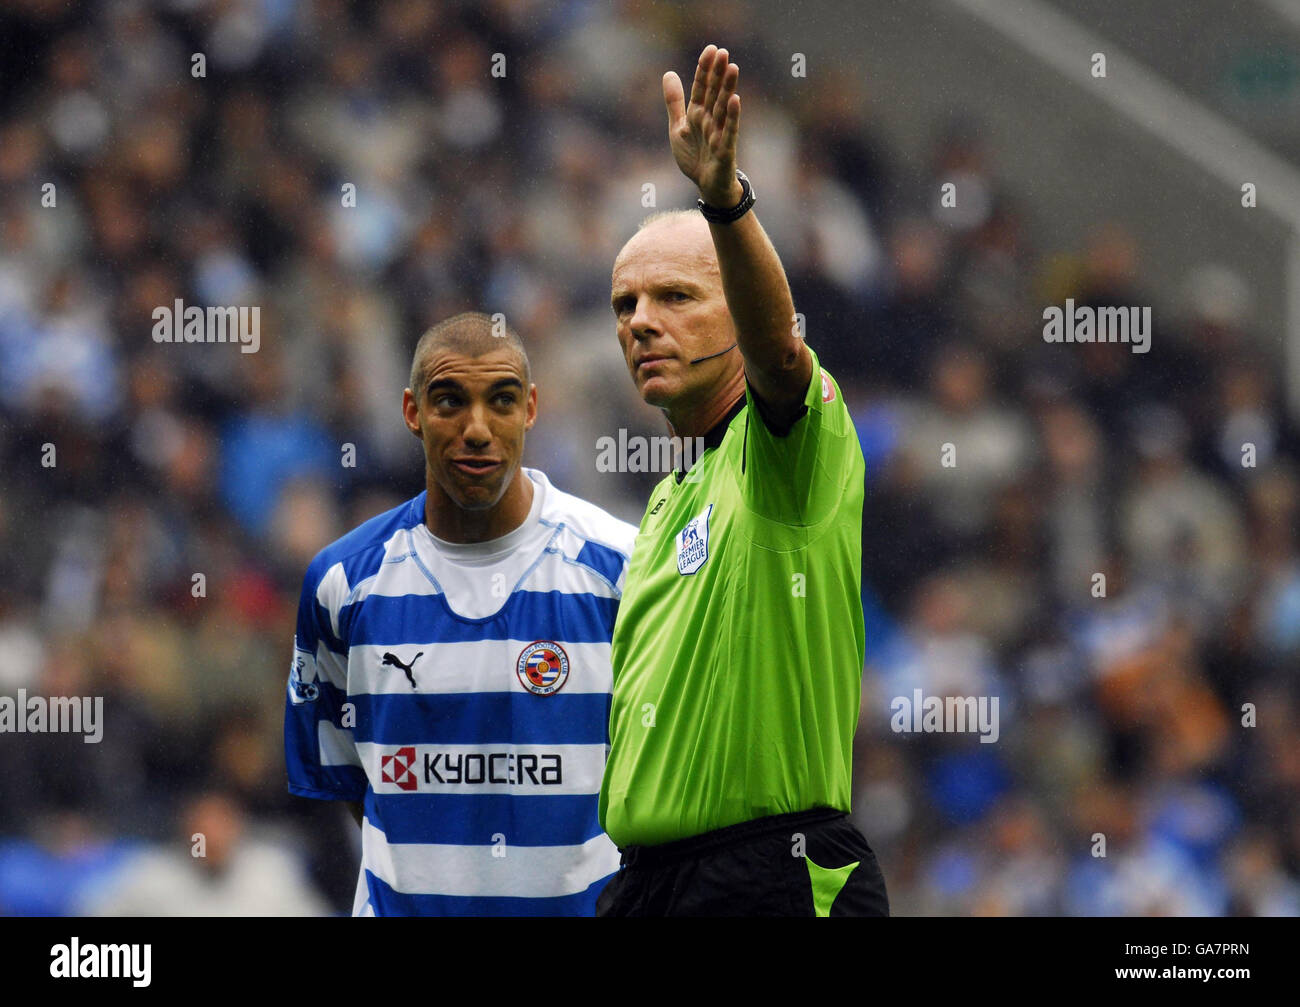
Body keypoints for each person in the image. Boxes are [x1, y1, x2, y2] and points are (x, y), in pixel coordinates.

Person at [597, 44, 889, 916]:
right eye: (626, 306)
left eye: (676, 298)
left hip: (772, 875)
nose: (643, 323)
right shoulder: (666, 498)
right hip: (647, 885)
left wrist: (725, 202)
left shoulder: (793, 446)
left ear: (741, 301)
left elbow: (777, 351)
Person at [284, 312, 638, 915]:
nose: (477, 429)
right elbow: (351, 785)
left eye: (500, 401)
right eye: (450, 401)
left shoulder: (623, 569)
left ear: (529, 409)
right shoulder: (342, 583)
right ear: (412, 412)